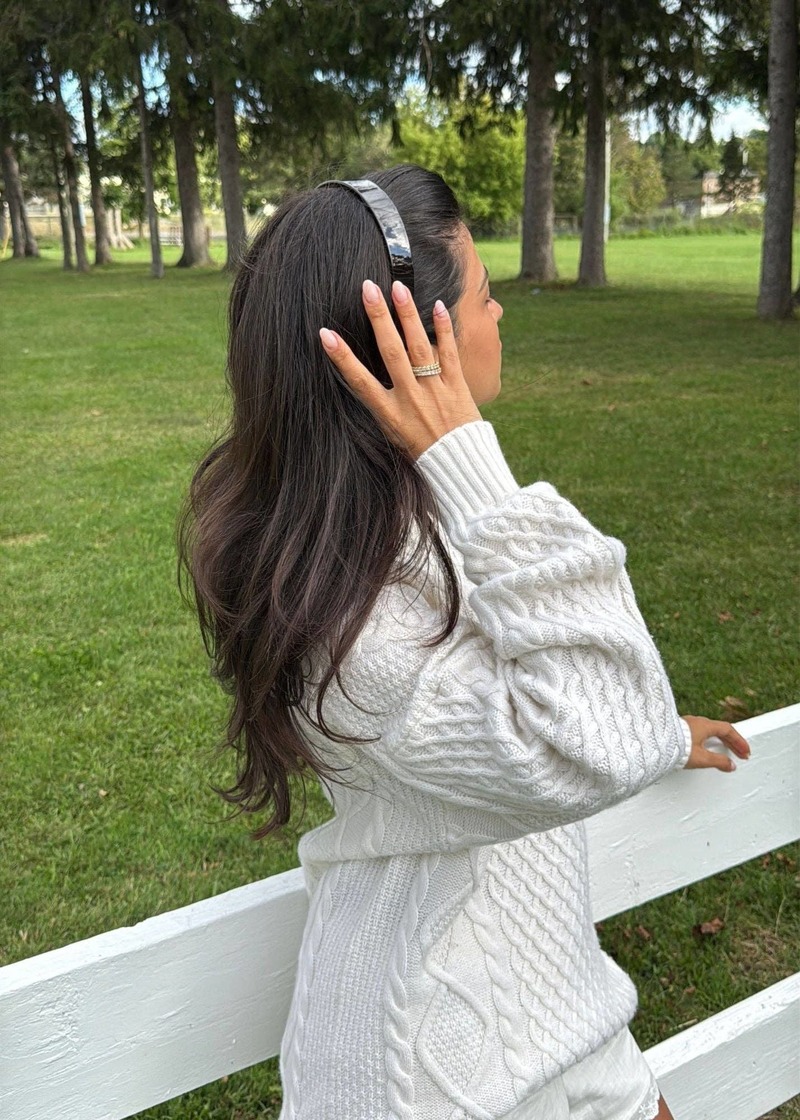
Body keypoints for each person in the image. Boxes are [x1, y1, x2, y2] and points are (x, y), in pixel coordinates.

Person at [179, 164, 751, 1120]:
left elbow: (579, 720)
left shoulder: (409, 525)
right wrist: (466, 454)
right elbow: (589, 738)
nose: (499, 314)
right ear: (416, 341)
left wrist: (656, 734)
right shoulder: (347, 619)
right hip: (424, 1071)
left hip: (558, 1011)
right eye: (485, 294)